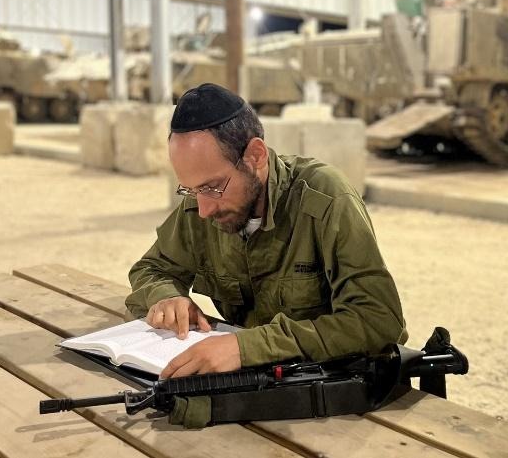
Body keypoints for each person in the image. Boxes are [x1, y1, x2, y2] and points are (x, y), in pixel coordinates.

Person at [125, 83, 408, 380]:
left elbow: (379, 320)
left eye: (213, 187)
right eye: (191, 190)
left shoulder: (325, 199)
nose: (204, 210)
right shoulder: (202, 204)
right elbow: (151, 269)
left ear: (255, 156)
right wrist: (168, 298)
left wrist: (247, 347)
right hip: (253, 384)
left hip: (336, 385)